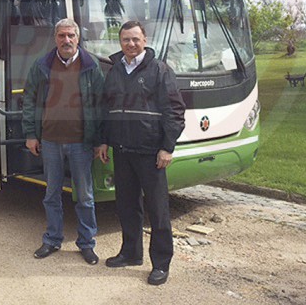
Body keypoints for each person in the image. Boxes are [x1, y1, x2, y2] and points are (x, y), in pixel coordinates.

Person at [97, 20, 185, 285]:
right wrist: (103, 141)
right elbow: (105, 109)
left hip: (150, 153)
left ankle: (161, 263)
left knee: (158, 211)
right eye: (126, 40)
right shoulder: (115, 71)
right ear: (120, 42)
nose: (131, 44)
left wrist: (167, 147)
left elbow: (175, 112)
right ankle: (130, 253)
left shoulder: (160, 71)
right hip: (122, 151)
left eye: (135, 39)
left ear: (144, 40)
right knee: (127, 206)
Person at [22, 18, 105, 265]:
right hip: (49, 141)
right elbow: (29, 100)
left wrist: (100, 141)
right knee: (52, 194)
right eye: (61, 36)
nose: (66, 40)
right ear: (55, 39)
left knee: (85, 196)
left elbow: (100, 106)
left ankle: (87, 244)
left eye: (70, 35)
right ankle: (52, 239)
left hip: (82, 143)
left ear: (78, 38)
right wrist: (30, 134)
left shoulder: (91, 66)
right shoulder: (42, 66)